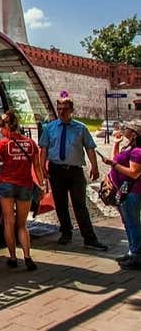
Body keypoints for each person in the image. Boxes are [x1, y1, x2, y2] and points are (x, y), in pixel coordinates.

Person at [0, 110, 45, 271]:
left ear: (6, 127)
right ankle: (27, 256)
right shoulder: (30, 143)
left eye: (0, 127)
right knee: (22, 225)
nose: (0, 130)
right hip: (25, 185)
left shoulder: (3, 144)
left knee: (8, 222)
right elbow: (37, 167)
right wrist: (41, 185)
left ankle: (13, 257)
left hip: (6, 184)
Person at [39, 97, 109, 250]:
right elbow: (44, 148)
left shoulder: (80, 128)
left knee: (80, 204)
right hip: (56, 169)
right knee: (60, 203)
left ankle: (89, 238)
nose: (62, 112)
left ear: (71, 110)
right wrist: (42, 167)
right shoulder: (49, 128)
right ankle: (66, 232)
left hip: (75, 170)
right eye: (59, 109)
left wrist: (94, 167)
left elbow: (89, 148)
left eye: (65, 109)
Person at [101, 119, 141, 270]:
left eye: (128, 128)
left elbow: (134, 173)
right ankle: (132, 252)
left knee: (133, 223)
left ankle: (137, 254)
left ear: (134, 133)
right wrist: (116, 143)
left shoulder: (138, 151)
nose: (125, 130)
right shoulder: (130, 148)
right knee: (128, 223)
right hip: (124, 191)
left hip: (132, 192)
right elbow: (116, 159)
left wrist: (113, 165)